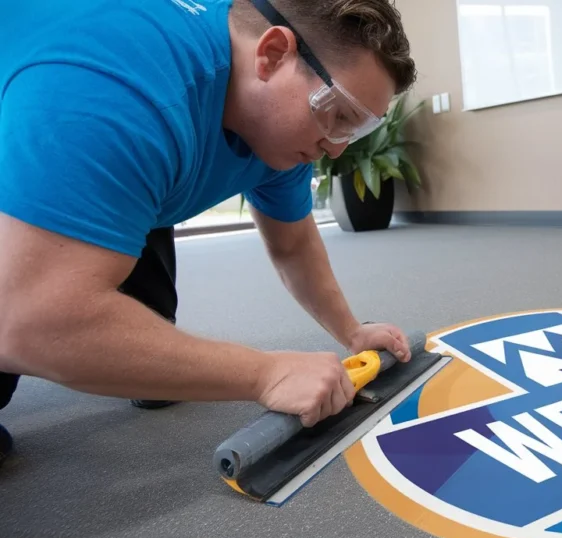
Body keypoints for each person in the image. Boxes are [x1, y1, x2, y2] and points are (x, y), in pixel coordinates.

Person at [0, 0, 418, 467]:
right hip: (37, 150)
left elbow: (293, 244)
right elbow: (30, 322)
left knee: (149, 356)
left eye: (355, 130)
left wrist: (352, 331)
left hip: (138, 179)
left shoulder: (280, 129)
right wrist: (265, 374)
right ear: (274, 54)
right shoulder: (112, 87)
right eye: (338, 114)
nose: (337, 149)